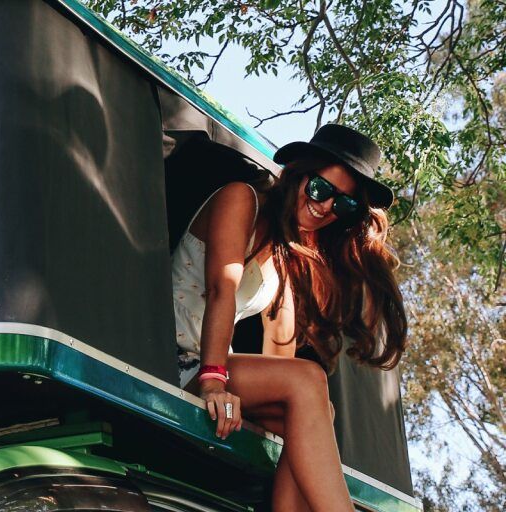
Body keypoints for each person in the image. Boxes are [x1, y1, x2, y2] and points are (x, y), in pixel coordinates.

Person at [171, 124, 408, 510]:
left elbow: (281, 361)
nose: (327, 207)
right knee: (309, 380)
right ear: (298, 172)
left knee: (314, 411)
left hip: (211, 366)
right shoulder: (240, 199)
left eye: (343, 205)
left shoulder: (288, 258)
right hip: (169, 356)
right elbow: (221, 290)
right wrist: (214, 382)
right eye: (321, 189)